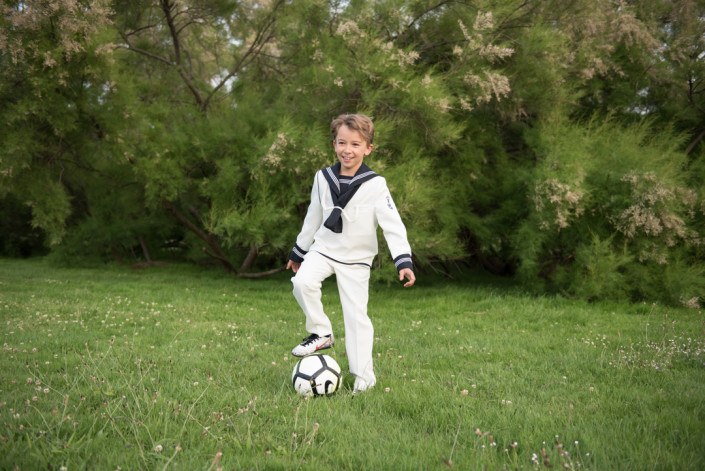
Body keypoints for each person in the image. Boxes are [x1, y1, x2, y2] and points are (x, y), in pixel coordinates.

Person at [286, 113, 416, 394]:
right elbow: (313, 216)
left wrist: (402, 260)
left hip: (357, 259)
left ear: (368, 148)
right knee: (302, 282)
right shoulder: (323, 177)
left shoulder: (375, 184)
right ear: (334, 144)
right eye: (342, 143)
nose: (348, 150)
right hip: (323, 249)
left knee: (356, 318)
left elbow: (392, 224)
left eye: (356, 144)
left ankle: (364, 378)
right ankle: (321, 332)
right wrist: (299, 252)